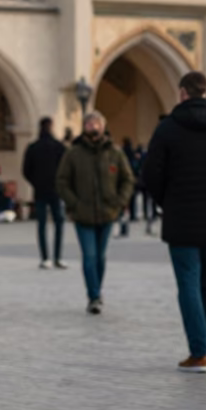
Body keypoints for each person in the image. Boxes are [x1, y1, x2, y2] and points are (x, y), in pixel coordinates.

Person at [143, 71, 206, 372]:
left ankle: (198, 352)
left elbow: (150, 175)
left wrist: (167, 202)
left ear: (182, 93)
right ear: (205, 92)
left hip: (182, 218)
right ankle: (205, 346)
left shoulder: (168, 129)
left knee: (188, 281)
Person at [56, 111, 134, 315]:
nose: (93, 127)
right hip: (83, 215)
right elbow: (62, 181)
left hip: (107, 213)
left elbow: (128, 179)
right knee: (89, 256)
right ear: (84, 127)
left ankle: (97, 289)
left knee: (100, 257)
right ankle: (94, 296)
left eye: (96, 124)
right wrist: (74, 203)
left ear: (103, 126)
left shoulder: (114, 153)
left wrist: (119, 202)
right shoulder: (73, 153)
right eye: (89, 124)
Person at [22, 117, 67, 269]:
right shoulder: (59, 147)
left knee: (41, 224)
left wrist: (35, 182)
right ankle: (58, 257)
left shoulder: (33, 147)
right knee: (59, 223)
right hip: (56, 190)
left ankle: (45, 258)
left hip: (40, 190)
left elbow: (26, 170)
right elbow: (66, 168)